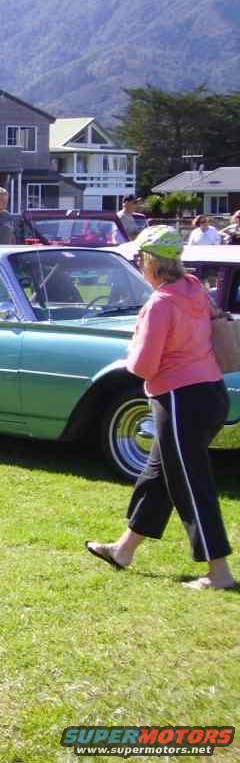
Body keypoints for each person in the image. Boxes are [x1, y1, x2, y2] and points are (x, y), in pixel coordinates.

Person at [86, 225, 235, 590]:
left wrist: (131, 351)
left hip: (180, 400)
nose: (137, 263)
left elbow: (143, 367)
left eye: (139, 257)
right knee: (158, 477)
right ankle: (123, 550)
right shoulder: (195, 288)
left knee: (190, 484)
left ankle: (220, 574)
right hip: (210, 393)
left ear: (149, 262)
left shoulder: (160, 304)